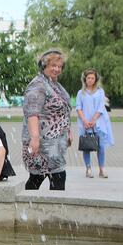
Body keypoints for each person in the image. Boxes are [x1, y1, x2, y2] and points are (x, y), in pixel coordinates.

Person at [21, 50, 73, 190]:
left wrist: (68, 131)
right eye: (53, 65)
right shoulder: (38, 84)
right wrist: (35, 138)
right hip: (43, 141)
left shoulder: (54, 84)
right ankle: (52, 208)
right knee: (56, 176)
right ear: (44, 66)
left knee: (39, 177)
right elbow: (32, 113)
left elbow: (64, 110)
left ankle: (28, 205)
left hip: (55, 142)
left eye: (59, 66)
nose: (57, 69)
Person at [76, 68, 114, 178]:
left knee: (101, 146)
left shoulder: (100, 91)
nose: (90, 80)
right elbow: (78, 108)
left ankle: (102, 170)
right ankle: (88, 169)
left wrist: (93, 120)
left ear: (95, 79)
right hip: (85, 123)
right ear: (85, 79)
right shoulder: (80, 93)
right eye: (88, 78)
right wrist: (84, 121)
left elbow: (101, 107)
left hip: (98, 122)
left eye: (93, 78)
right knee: (86, 146)